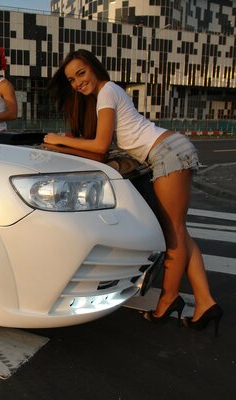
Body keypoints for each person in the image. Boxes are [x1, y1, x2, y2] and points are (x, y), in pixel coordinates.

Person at [44, 49, 222, 336]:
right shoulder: (109, 92)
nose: (77, 83)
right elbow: (103, 147)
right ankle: (205, 302)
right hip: (171, 150)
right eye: (72, 80)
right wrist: (66, 144)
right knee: (182, 232)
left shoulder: (106, 92)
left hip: (166, 153)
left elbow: (100, 146)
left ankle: (168, 300)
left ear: (95, 69)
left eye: (81, 73)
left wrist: (56, 140)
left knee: (173, 233)